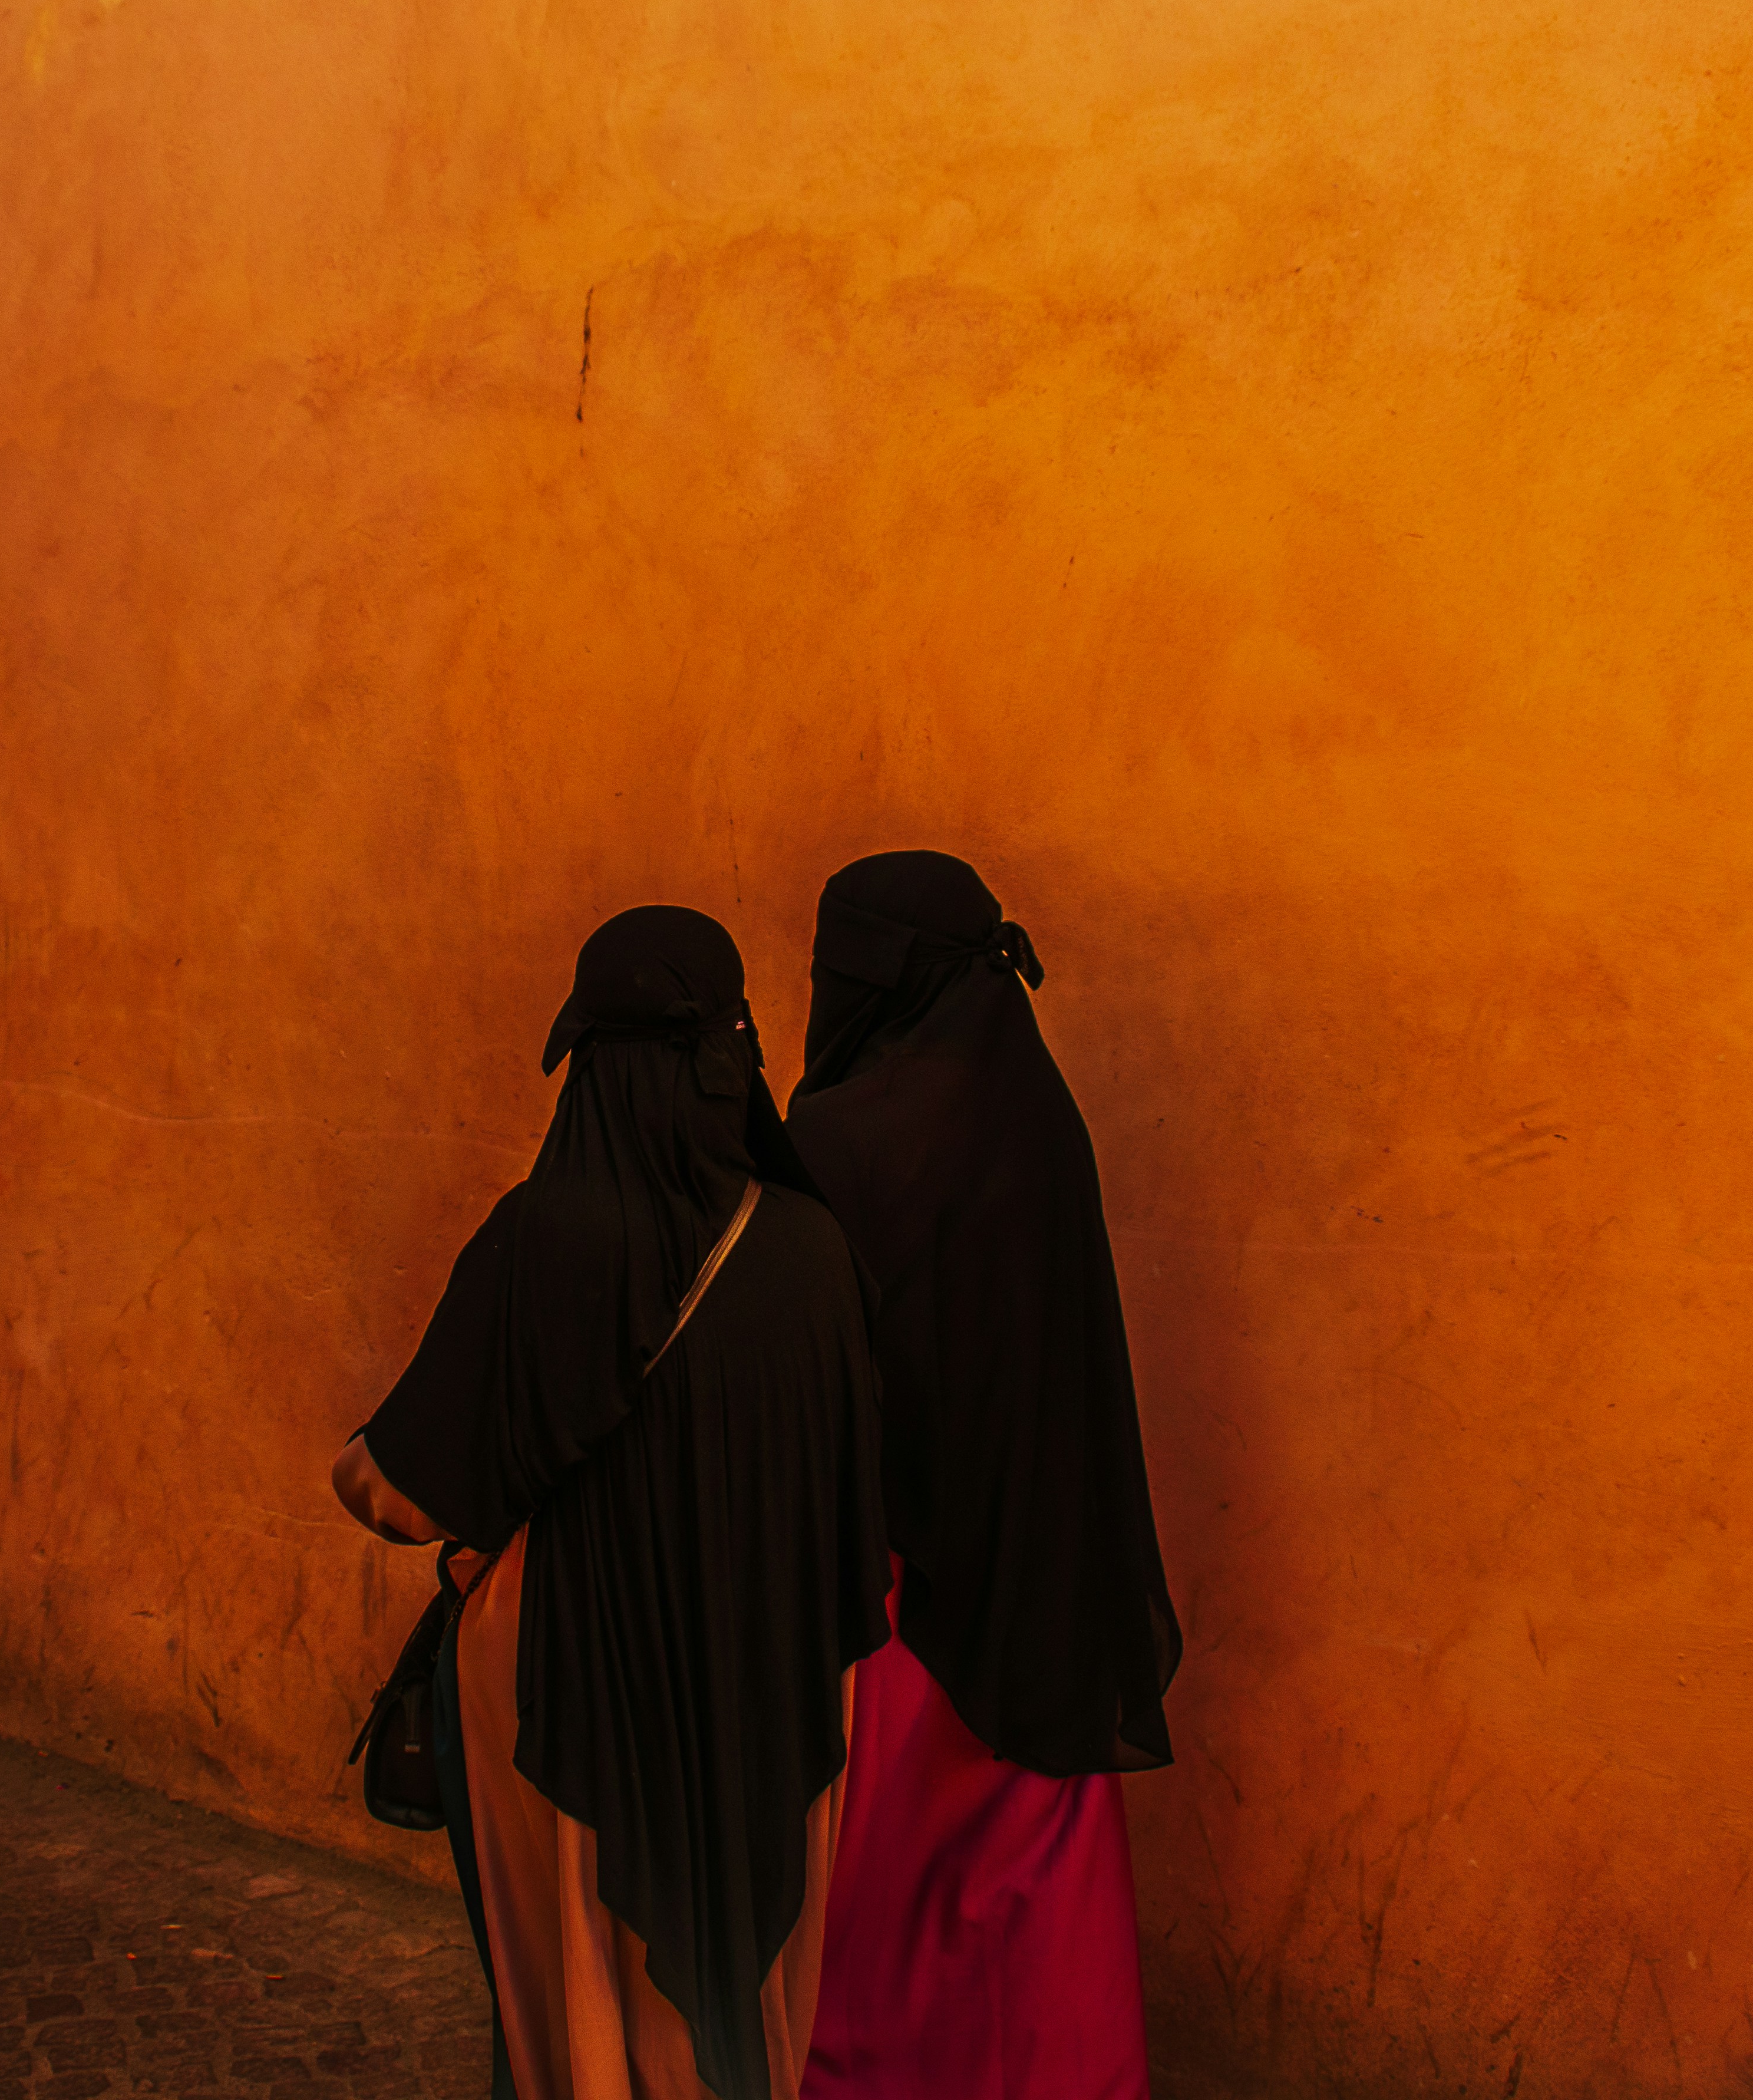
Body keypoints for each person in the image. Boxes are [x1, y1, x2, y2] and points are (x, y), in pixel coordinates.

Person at [335, 905, 891, 2100]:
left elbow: (397, 1493)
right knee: (746, 1979)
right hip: (778, 1684)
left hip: (577, 1682)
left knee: (584, 1980)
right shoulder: (812, 1246)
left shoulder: (543, 1237)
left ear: (589, 1063)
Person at [783, 852, 1181, 2100]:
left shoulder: (842, 1138)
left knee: (892, 1887)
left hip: (898, 1596)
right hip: (1048, 1570)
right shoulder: (1033, 1107)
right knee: (1033, 1860)